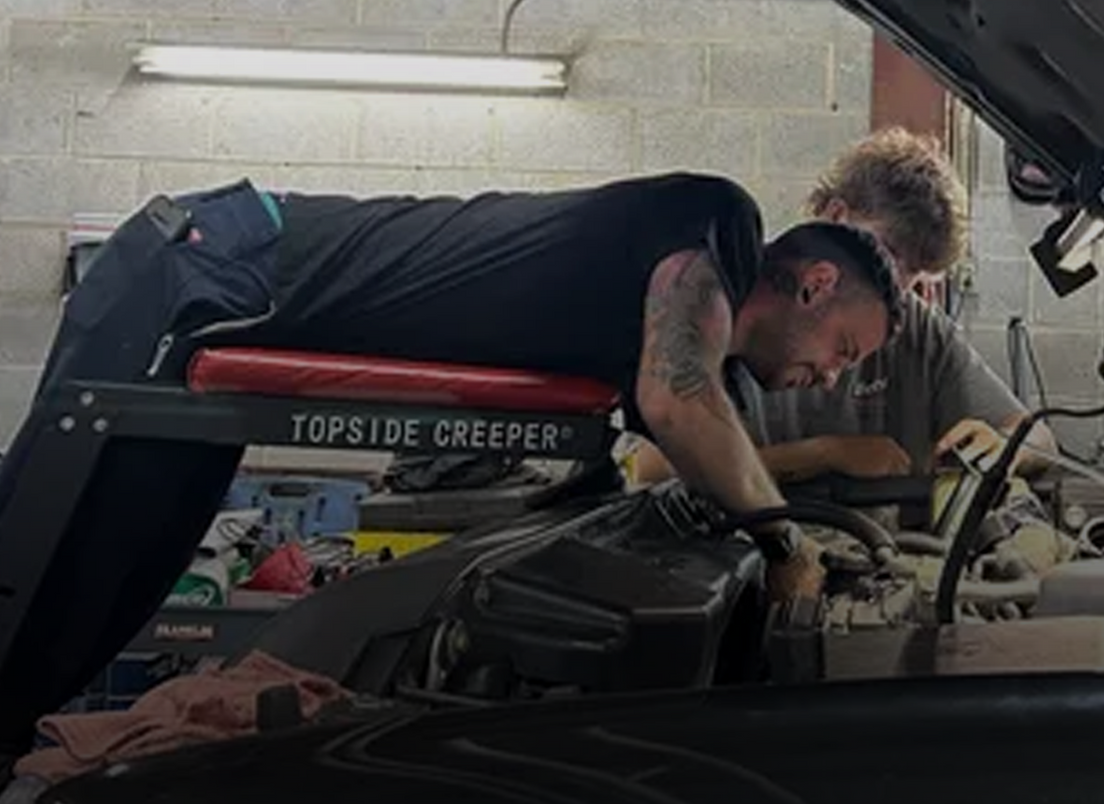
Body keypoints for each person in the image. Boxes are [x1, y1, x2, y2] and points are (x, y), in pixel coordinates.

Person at [0, 173, 901, 746]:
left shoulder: (724, 371)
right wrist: (790, 548)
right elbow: (676, 401)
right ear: (815, 285)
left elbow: (688, 451)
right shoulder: (716, 226)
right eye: (846, 348)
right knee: (47, 588)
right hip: (209, 268)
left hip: (218, 296)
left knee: (96, 605)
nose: (829, 374)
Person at [624, 128, 1054, 490]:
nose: (899, 288)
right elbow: (649, 469)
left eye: (916, 275)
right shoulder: (726, 306)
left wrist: (1004, 447)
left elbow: (1040, 439)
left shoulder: (917, 331)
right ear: (834, 216)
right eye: (888, 256)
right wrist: (823, 456)